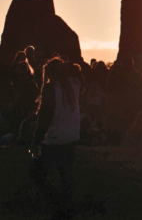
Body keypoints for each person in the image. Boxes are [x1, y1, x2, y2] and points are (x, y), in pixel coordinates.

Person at [30, 57, 81, 219]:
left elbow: (44, 117)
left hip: (55, 139)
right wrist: (68, 65)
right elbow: (79, 71)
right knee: (66, 175)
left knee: (36, 172)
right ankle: (68, 207)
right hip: (72, 137)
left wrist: (35, 141)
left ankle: (58, 203)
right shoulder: (75, 84)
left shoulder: (50, 87)